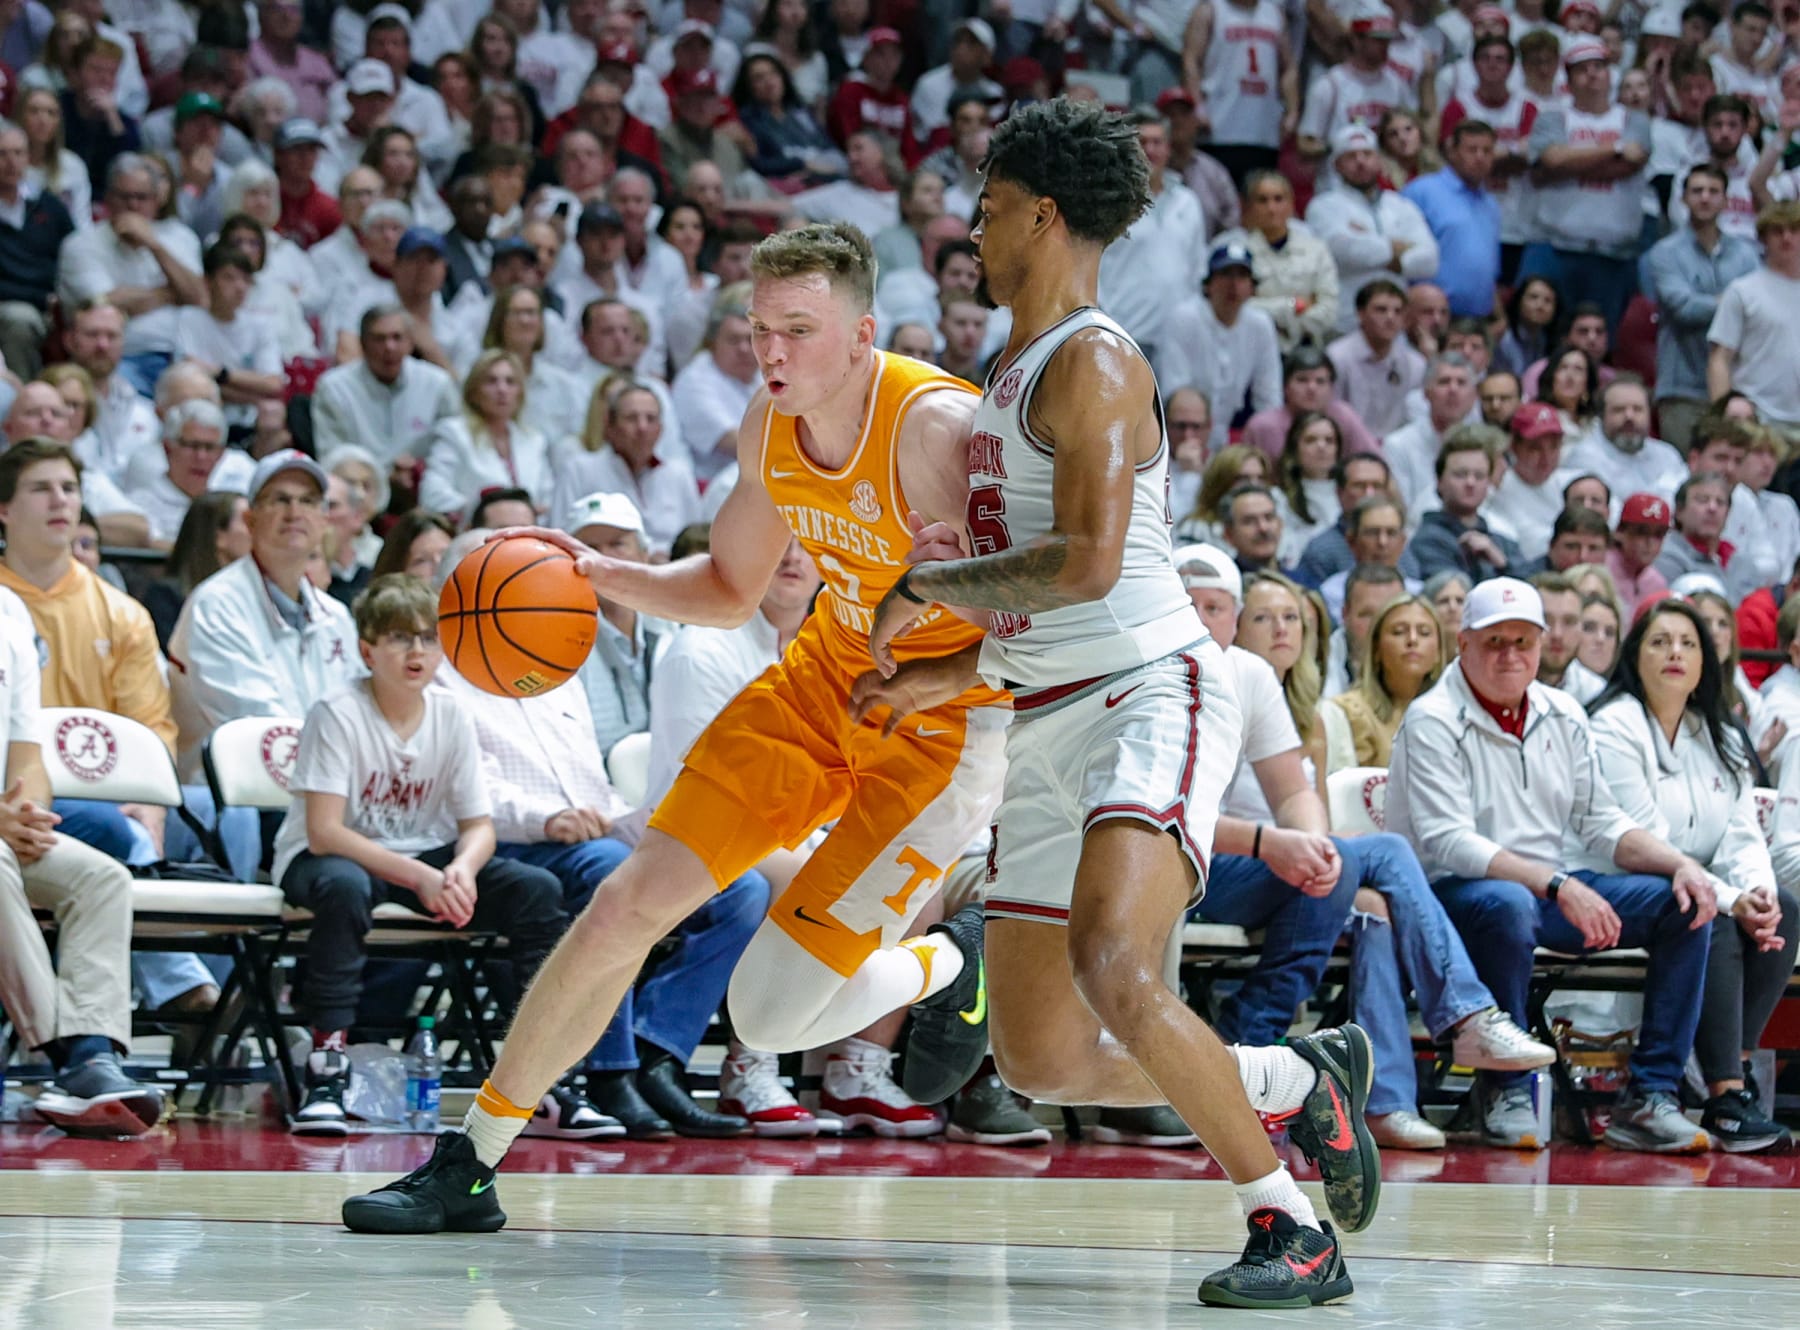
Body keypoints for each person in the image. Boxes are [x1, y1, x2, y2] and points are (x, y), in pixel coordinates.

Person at [344, 223, 1006, 1237]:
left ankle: (953, 965)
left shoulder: (941, 432)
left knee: (769, 1015)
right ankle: (467, 1163)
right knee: (620, 907)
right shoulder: (767, 423)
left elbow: (1053, 620)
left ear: (863, 333)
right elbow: (734, 587)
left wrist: (955, 598)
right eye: (757, 329)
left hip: (943, 730)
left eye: (798, 329)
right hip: (822, 683)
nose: (771, 352)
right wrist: (614, 577)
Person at [864, 100, 1381, 1308]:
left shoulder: (1095, 357)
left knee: (1114, 963)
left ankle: (1291, 1225)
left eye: (989, 210)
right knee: (1039, 1054)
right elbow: (1040, 602)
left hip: (1153, 690)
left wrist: (925, 585)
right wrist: (945, 673)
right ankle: (1296, 1079)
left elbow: (1093, 563)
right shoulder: (1007, 373)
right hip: (1046, 704)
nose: (974, 233)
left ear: (1043, 212)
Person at [1387, 577, 1716, 1153]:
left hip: (1549, 887)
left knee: (1683, 905)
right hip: (1450, 898)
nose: (1510, 655)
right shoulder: (1432, 718)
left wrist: (1681, 864)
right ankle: (1504, 1084)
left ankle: (1649, 1095)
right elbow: (1449, 843)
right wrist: (1559, 884)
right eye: (1494, 642)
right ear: (1462, 644)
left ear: (1542, 646)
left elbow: (1600, 821)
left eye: (1523, 641)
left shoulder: (1563, 713)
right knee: (1507, 904)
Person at [276, 574, 566, 1133]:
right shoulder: (337, 711)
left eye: (428, 639)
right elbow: (324, 833)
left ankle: (539, 1076)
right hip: (334, 859)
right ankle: (328, 1064)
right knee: (344, 886)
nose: (417, 651)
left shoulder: (452, 712)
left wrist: (460, 869)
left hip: (423, 858)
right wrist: (419, 878)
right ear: (367, 650)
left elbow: (478, 825)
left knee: (538, 891)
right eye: (400, 638)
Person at [1586, 599, 1795, 1151]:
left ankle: (1737, 1073)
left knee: (1786, 911)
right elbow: (1643, 836)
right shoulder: (1614, 724)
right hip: (1619, 882)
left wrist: (1757, 892)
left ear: (1707, 662)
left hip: (1694, 886)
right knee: (1712, 912)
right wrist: (1730, 900)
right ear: (1636, 656)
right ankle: (1724, 1093)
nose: (1675, 652)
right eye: (1659, 641)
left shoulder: (1721, 735)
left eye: (1688, 643)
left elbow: (1742, 833)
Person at [0, 575, 162, 1137]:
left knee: (101, 877)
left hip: (3, 824)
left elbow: (26, 751)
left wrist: (26, 817)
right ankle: (67, 1061)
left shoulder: (10, 614)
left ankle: (96, 1054)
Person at [167, 450, 362, 785]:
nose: (294, 512)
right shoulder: (216, 605)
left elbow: (358, 711)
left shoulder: (336, 616)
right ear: (250, 519)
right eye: (279, 500)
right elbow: (255, 726)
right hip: (238, 794)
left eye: (308, 501)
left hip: (322, 786)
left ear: (324, 520)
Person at [1641, 165, 1762, 453]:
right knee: (1686, 475)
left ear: (1725, 199)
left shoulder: (1745, 254)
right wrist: (1734, 302)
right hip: (1680, 388)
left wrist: (1729, 303)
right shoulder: (1664, 252)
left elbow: (1757, 308)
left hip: (1736, 389)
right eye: (1697, 191)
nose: (1705, 198)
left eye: (1713, 191)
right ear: (1683, 198)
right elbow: (1684, 309)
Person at [1305, 124, 1439, 334]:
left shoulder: (1401, 205)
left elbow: (1429, 260)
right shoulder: (1323, 206)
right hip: (1345, 322)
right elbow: (1341, 250)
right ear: (1337, 165)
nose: (1360, 161)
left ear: (1379, 160)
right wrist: (1395, 248)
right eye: (1351, 156)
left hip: (1395, 324)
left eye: (1367, 154)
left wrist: (1386, 256)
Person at [1707, 200, 1800, 431]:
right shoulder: (1743, 290)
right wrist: (1724, 417)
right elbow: (1719, 359)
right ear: (1763, 238)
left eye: (1795, 230)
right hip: (1757, 417)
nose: (1787, 238)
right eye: (1778, 231)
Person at [1401, 118, 1502, 321]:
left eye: (1487, 151)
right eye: (1472, 150)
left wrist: (1499, 316)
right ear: (1452, 152)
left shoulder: (1491, 203)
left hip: (1480, 320)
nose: (1480, 157)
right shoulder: (1421, 192)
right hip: (1431, 316)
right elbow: (1401, 254)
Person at [1406, 427, 1520, 582]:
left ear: (1488, 483)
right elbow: (1452, 595)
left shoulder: (1502, 542)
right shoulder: (1426, 541)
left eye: (1479, 476)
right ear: (1439, 481)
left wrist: (1503, 564)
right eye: (1460, 475)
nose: (1470, 483)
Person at [140, 491, 249, 650]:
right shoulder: (166, 596)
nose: (259, 531)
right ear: (219, 536)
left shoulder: (259, 594)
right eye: (248, 522)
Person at [1327, 280, 1425, 440]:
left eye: (1398, 311)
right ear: (1361, 314)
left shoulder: (1415, 363)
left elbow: (1415, 417)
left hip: (1396, 446)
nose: (1390, 318)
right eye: (1381, 310)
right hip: (1347, 444)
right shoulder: (1337, 357)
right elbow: (1332, 413)